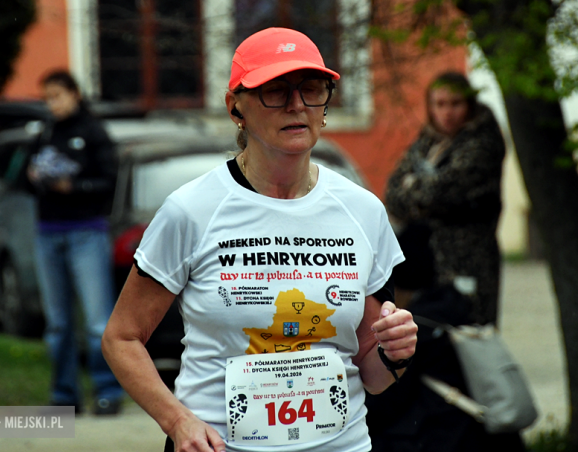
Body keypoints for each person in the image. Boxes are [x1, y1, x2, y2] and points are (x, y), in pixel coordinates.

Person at [102, 27, 417, 452]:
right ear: (236, 107)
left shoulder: (362, 210)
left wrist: (395, 352)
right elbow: (122, 338)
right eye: (275, 91)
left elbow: (373, 375)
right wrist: (177, 421)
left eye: (311, 89)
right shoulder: (191, 210)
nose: (296, 105)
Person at [366, 72, 525, 451]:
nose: (447, 113)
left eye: (455, 104)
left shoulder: (482, 140)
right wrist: (421, 191)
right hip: (428, 268)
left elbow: (445, 190)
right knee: (430, 352)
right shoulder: (429, 140)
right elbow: (394, 191)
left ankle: (483, 434)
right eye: (439, 104)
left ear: (469, 104)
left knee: (470, 348)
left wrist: (419, 189)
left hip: (469, 264)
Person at [27, 70, 123, 415]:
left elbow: (110, 180)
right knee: (58, 323)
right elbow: (23, 176)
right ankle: (64, 395)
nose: (52, 104)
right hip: (48, 231)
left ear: (74, 94)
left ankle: (107, 391)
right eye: (47, 98)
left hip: (86, 231)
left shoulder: (93, 132)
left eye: (57, 96)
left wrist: (75, 187)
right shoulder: (44, 132)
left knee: (98, 321)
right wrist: (34, 176)